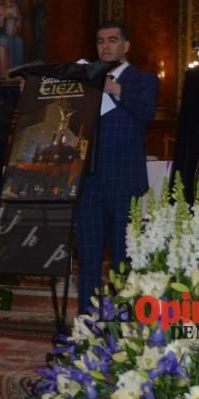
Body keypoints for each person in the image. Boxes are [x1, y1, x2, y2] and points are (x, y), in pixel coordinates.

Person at [75, 21, 159, 315]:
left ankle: (124, 321)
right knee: (88, 257)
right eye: (100, 41)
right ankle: (86, 320)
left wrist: (115, 89)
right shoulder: (86, 79)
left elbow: (147, 112)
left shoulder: (142, 79)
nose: (105, 46)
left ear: (126, 46)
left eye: (112, 40)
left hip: (123, 181)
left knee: (124, 257)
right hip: (89, 181)